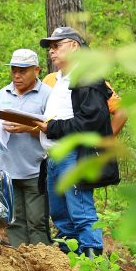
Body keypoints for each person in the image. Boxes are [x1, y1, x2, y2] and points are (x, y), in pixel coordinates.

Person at [34, 27, 119, 258]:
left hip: (74, 155)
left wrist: (52, 128)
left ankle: (93, 270)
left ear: (74, 46)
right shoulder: (60, 79)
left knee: (80, 212)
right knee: (60, 215)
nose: (52, 52)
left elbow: (92, 119)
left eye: (56, 46)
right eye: (50, 48)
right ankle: (70, 267)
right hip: (54, 157)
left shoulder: (87, 77)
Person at [0, 48, 52, 247]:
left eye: (23, 70)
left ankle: (42, 263)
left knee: (37, 222)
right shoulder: (2, 95)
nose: (17, 75)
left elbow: (56, 130)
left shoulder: (47, 95)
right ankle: (21, 264)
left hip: (35, 169)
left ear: (37, 70)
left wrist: (27, 128)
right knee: (14, 222)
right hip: (7, 171)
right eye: (14, 70)